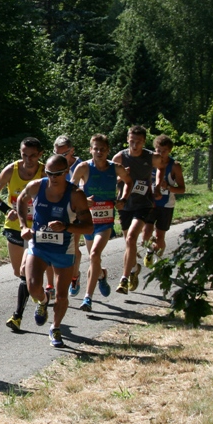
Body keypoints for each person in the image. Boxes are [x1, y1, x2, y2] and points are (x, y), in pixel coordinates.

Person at [16, 154, 94, 347]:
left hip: (63, 250)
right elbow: (21, 200)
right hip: (39, 246)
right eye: (49, 173)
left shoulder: (76, 195)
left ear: (66, 171)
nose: (53, 177)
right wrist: (23, 226)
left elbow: (88, 227)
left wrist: (66, 227)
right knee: (32, 286)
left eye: (58, 174)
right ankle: (43, 301)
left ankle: (55, 327)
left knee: (61, 294)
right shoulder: (36, 186)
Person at [70, 134, 132, 311]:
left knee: (94, 254)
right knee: (94, 258)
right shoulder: (83, 167)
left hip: (105, 221)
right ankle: (102, 274)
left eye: (102, 149)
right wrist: (83, 200)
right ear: (90, 150)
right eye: (96, 149)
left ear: (108, 151)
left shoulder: (116, 168)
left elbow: (129, 182)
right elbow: (71, 189)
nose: (99, 152)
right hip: (88, 221)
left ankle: (87, 298)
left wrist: (123, 199)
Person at [0, 137, 43, 331]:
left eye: (33, 156)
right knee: (18, 271)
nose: (28, 160)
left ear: (40, 154)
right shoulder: (11, 169)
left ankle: (17, 316)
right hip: (14, 226)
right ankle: (38, 294)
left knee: (25, 271)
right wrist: (6, 210)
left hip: (36, 229)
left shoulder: (45, 172)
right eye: (24, 155)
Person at [113, 126, 155, 294]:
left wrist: (160, 185)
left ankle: (123, 280)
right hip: (125, 205)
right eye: (132, 141)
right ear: (127, 140)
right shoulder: (120, 158)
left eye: (139, 142)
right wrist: (122, 176)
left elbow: (165, 166)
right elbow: (111, 179)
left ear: (144, 142)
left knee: (131, 238)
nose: (135, 145)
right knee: (129, 243)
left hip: (143, 203)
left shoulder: (150, 157)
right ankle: (134, 269)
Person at [142, 135, 186, 266]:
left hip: (166, 205)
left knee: (159, 236)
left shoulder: (175, 166)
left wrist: (168, 187)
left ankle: (157, 259)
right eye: (158, 150)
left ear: (170, 151)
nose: (160, 154)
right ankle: (150, 250)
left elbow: (182, 189)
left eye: (164, 151)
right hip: (150, 203)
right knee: (146, 233)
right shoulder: (149, 162)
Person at [54, 136, 84, 298]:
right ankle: (53, 284)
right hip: (57, 212)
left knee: (73, 247)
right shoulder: (54, 165)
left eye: (63, 154)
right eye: (56, 154)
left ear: (72, 151)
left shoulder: (82, 166)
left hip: (76, 212)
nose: (59, 157)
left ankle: (75, 276)